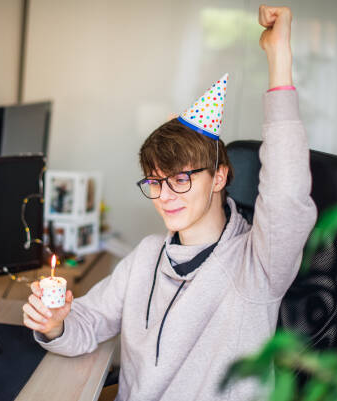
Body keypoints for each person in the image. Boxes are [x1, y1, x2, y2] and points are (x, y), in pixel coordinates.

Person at [22, 5, 317, 400]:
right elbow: (88, 322)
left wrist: (279, 58)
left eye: (181, 178)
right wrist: (55, 324)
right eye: (155, 182)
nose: (164, 196)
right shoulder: (145, 258)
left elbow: (286, 195)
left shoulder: (257, 265)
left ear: (221, 176)